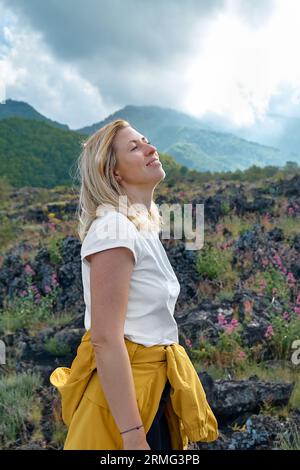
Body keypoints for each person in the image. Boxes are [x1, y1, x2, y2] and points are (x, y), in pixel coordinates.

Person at [50, 119, 218, 450]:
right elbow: (105, 338)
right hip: (127, 407)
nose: (151, 148)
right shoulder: (113, 229)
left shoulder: (138, 227)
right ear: (114, 172)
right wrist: (131, 435)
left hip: (152, 393)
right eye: (135, 147)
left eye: (146, 140)